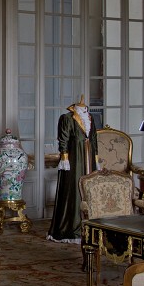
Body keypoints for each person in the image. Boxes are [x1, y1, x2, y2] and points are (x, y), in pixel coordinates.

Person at [47, 96, 99, 243]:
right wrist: (64, 157)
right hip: (75, 157)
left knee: (90, 188)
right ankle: (72, 227)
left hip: (89, 156)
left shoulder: (90, 117)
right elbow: (63, 138)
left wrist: (96, 157)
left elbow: (94, 138)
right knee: (74, 188)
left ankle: (91, 225)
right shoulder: (67, 118)